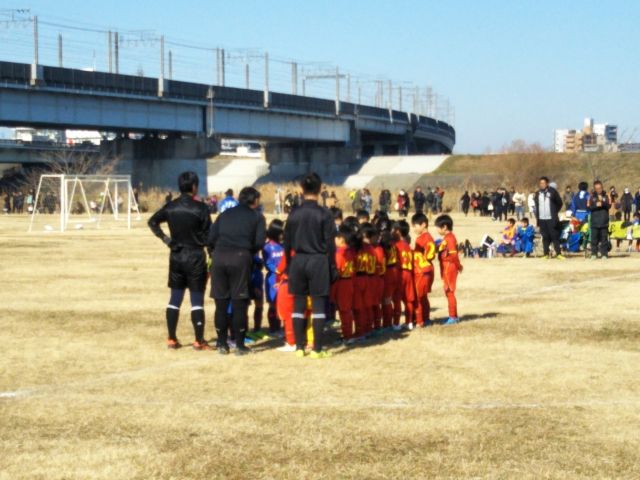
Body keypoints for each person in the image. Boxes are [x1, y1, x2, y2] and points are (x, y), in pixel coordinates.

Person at [148, 171, 212, 350]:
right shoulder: (201, 208)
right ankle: (199, 341)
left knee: (175, 298)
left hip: (176, 255)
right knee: (196, 299)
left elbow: (152, 222)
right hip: (195, 256)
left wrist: (166, 240)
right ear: (194, 186)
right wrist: (212, 256)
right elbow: (209, 235)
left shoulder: (171, 206)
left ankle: (171, 338)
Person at [283, 173, 336, 359]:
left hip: (298, 260)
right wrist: (332, 265)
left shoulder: (294, 213)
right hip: (318, 260)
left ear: (301, 189)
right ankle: (317, 349)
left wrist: (289, 264)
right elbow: (330, 244)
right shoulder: (324, 213)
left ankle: (299, 347)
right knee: (318, 304)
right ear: (320, 188)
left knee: (299, 304)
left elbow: (286, 242)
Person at [208, 187, 266, 355]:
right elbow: (259, 242)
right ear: (254, 200)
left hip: (219, 257)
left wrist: (215, 252)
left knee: (221, 303)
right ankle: (240, 345)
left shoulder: (224, 214)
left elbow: (210, 238)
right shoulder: (257, 217)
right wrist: (247, 251)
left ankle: (221, 343)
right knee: (239, 301)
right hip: (240, 257)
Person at [435, 214, 463, 325]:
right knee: (448, 292)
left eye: (438, 227)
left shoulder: (450, 238)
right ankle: (453, 316)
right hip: (446, 266)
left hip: (449, 267)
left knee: (449, 291)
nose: (437, 230)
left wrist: (458, 266)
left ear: (445, 227)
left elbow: (454, 255)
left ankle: (452, 317)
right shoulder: (447, 238)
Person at [331, 226, 357, 343]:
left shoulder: (339, 253)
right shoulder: (350, 251)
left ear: (341, 239)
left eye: (336, 238)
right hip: (349, 282)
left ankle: (348, 335)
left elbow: (336, 271)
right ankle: (347, 333)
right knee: (346, 310)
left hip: (342, 283)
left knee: (344, 311)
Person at [412, 213, 436, 327]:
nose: (414, 228)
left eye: (415, 225)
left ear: (423, 224)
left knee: (418, 296)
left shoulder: (424, 238)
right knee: (423, 296)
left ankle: (420, 320)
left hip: (422, 270)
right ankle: (426, 318)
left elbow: (429, 255)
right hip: (427, 269)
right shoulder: (427, 237)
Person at [263, 219, 285, 335]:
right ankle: (273, 328)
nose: (283, 235)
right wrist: (276, 270)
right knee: (273, 303)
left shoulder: (284, 245)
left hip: (284, 278)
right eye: (281, 232)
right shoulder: (267, 247)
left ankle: (281, 327)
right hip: (273, 278)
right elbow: (267, 262)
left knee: (282, 303)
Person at [534, 177, 564, 259]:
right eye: (540, 183)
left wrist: (554, 211)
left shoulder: (553, 191)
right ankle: (546, 254)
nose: (542, 185)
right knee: (545, 237)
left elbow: (560, 203)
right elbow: (537, 205)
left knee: (554, 236)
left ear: (547, 183)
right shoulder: (537, 193)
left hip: (551, 218)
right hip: (542, 219)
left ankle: (558, 254)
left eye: (543, 183)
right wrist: (538, 217)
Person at [393, 220, 415, 330]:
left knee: (397, 299)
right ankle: (409, 322)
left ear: (398, 231)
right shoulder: (407, 245)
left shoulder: (396, 245)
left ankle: (396, 323)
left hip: (400, 273)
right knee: (408, 299)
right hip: (409, 273)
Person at [588, 180, 610, 260]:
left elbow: (609, 205)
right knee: (594, 239)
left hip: (604, 221)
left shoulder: (606, 196)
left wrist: (603, 202)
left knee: (604, 239)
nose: (598, 190)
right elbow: (589, 207)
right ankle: (594, 254)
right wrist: (595, 205)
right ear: (594, 189)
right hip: (594, 221)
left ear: (602, 187)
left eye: (600, 188)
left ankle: (604, 254)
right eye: (597, 188)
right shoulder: (591, 197)